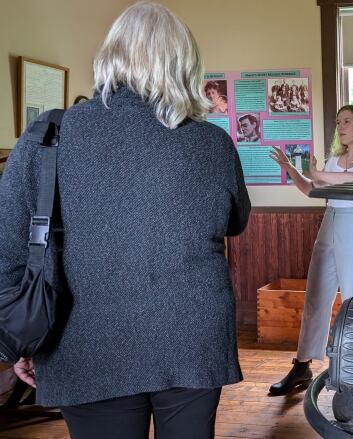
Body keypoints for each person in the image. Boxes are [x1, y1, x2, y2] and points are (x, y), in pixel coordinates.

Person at [0, 3, 251, 438]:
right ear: (185, 64)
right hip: (192, 332)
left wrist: (20, 338)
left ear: (110, 56)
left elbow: (8, 249)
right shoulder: (213, 143)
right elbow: (235, 221)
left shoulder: (49, 136)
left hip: (83, 337)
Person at [267, 104, 353, 396]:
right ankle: (302, 366)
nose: (341, 126)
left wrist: (319, 174)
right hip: (329, 223)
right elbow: (312, 189)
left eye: (347, 121)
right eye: (337, 122)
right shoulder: (335, 160)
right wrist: (293, 170)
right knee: (316, 296)